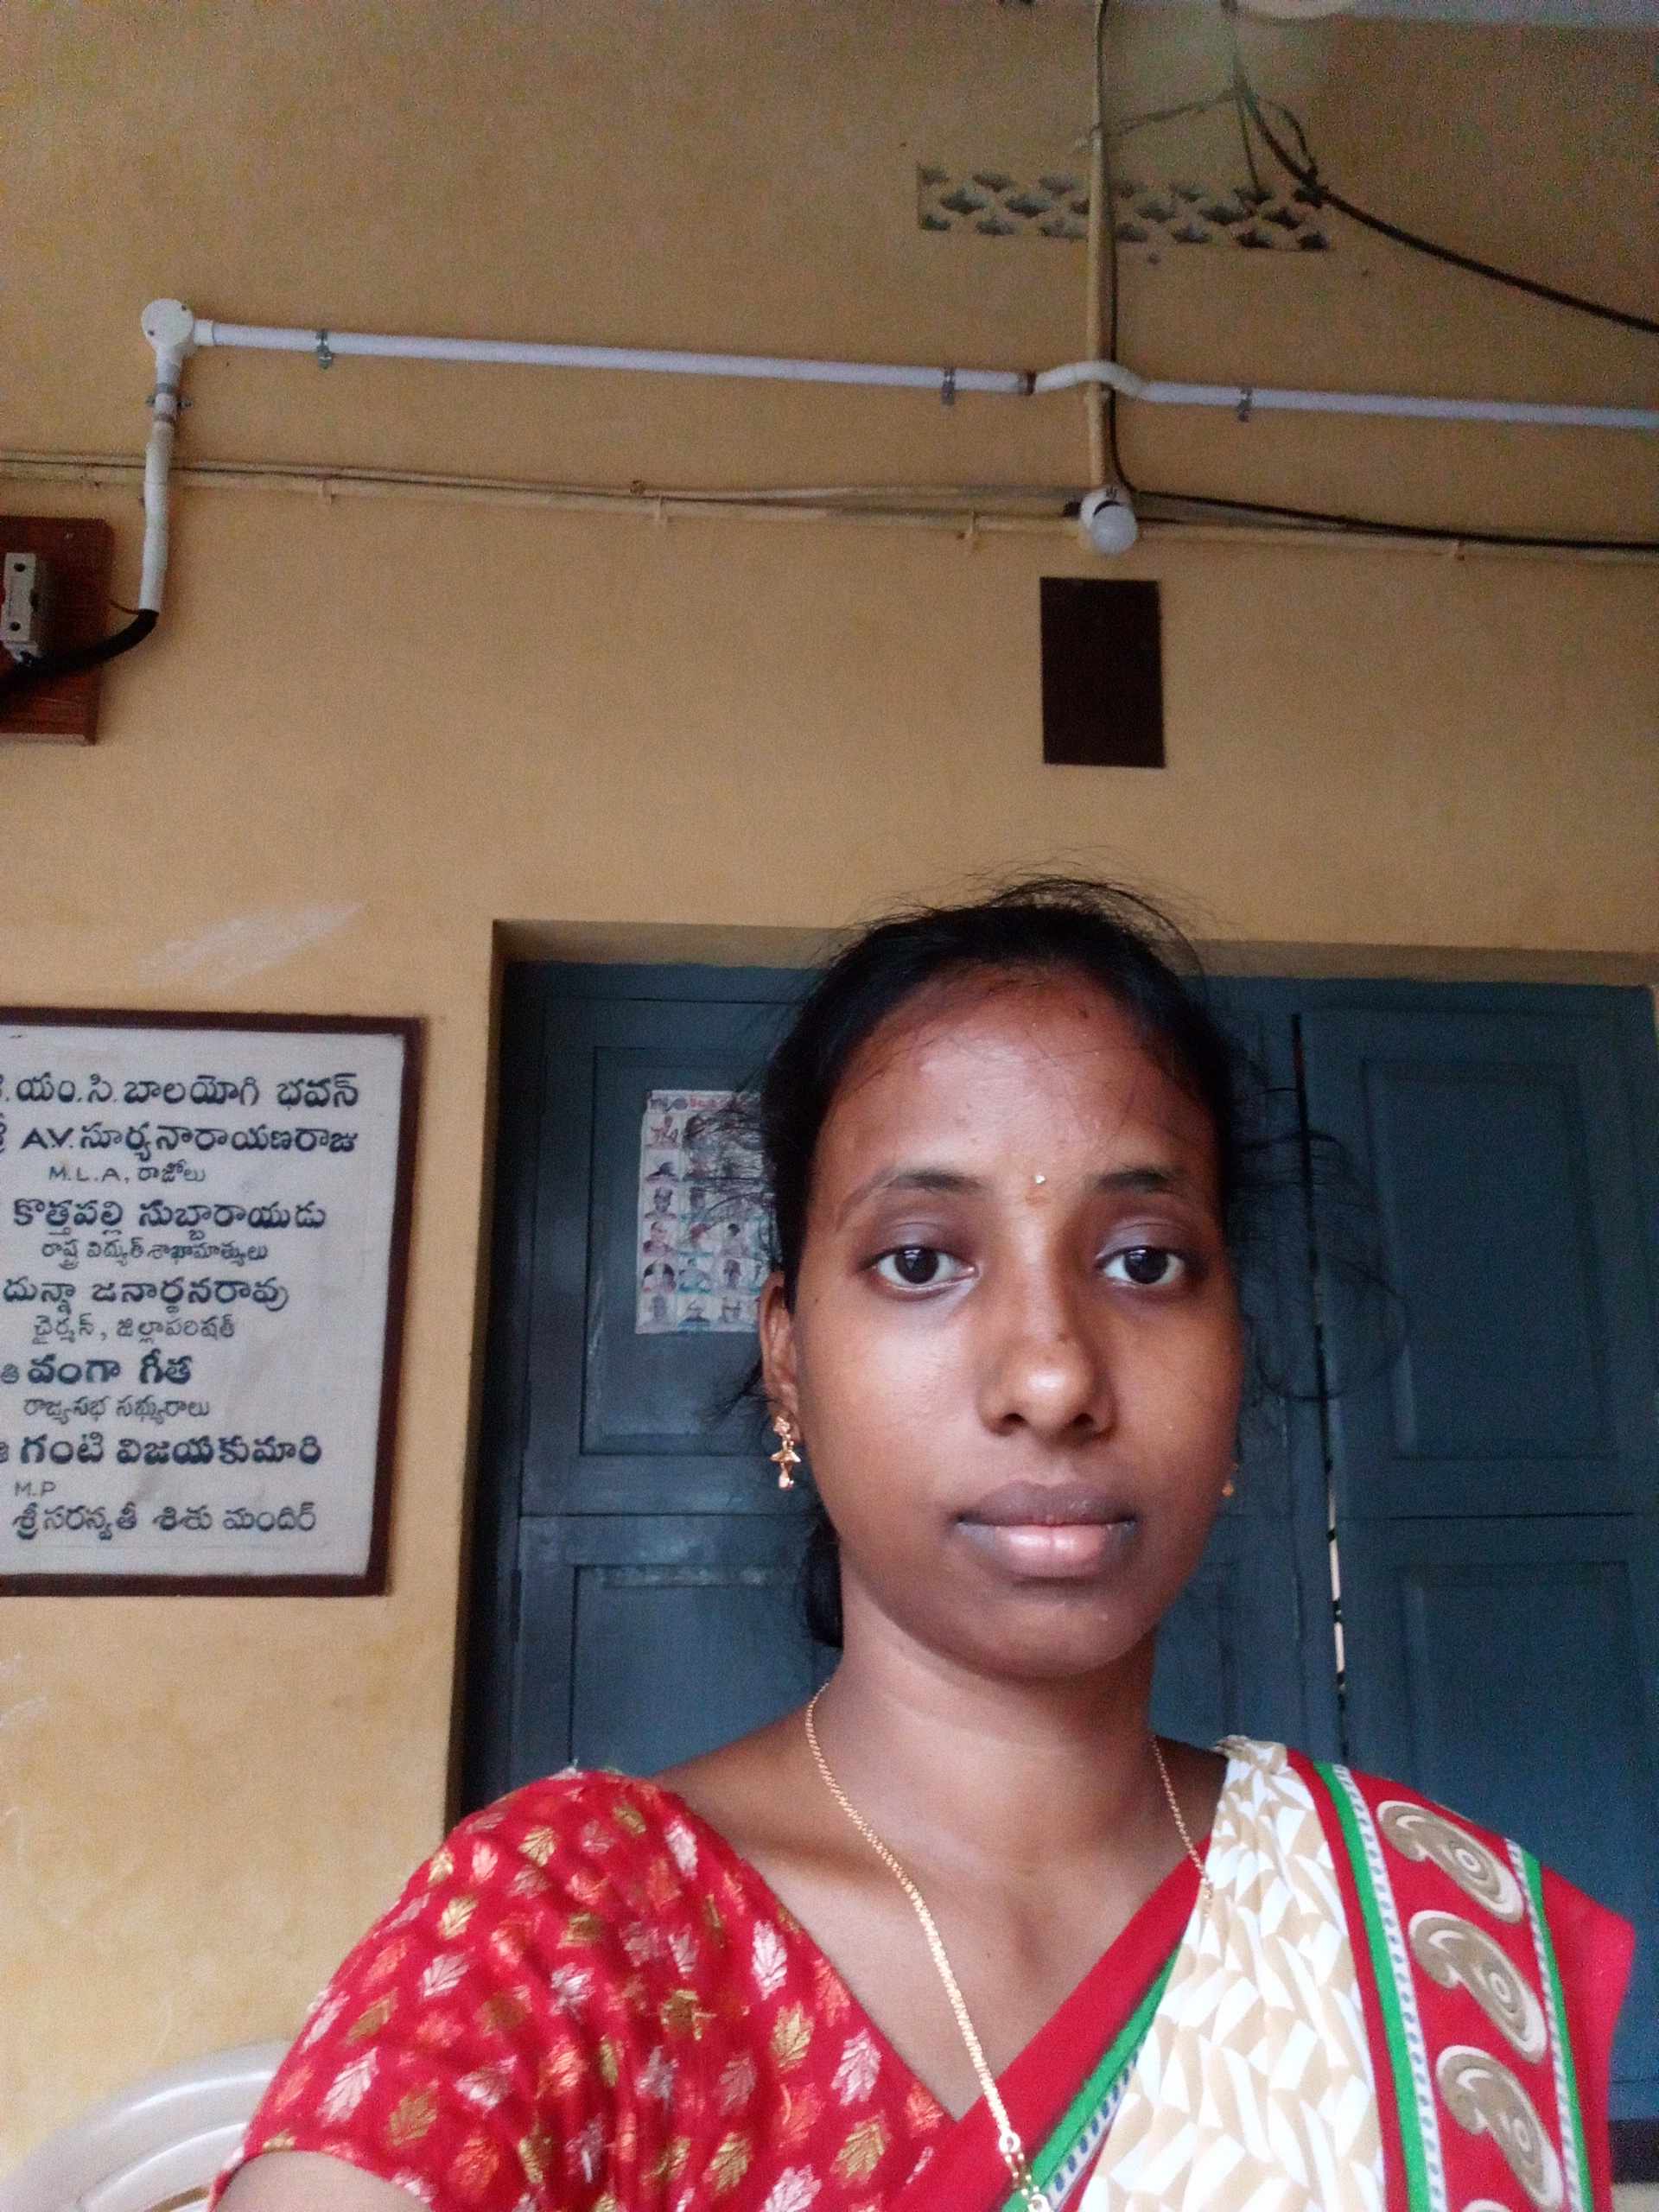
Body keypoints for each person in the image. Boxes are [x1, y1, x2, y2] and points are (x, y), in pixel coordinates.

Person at [215, 879, 1631, 2212]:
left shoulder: (1423, 1930)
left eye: (1144, 1260)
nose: (1053, 1377)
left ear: (1236, 1351)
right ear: (788, 1361)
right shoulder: (571, 1937)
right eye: (921, 1260)